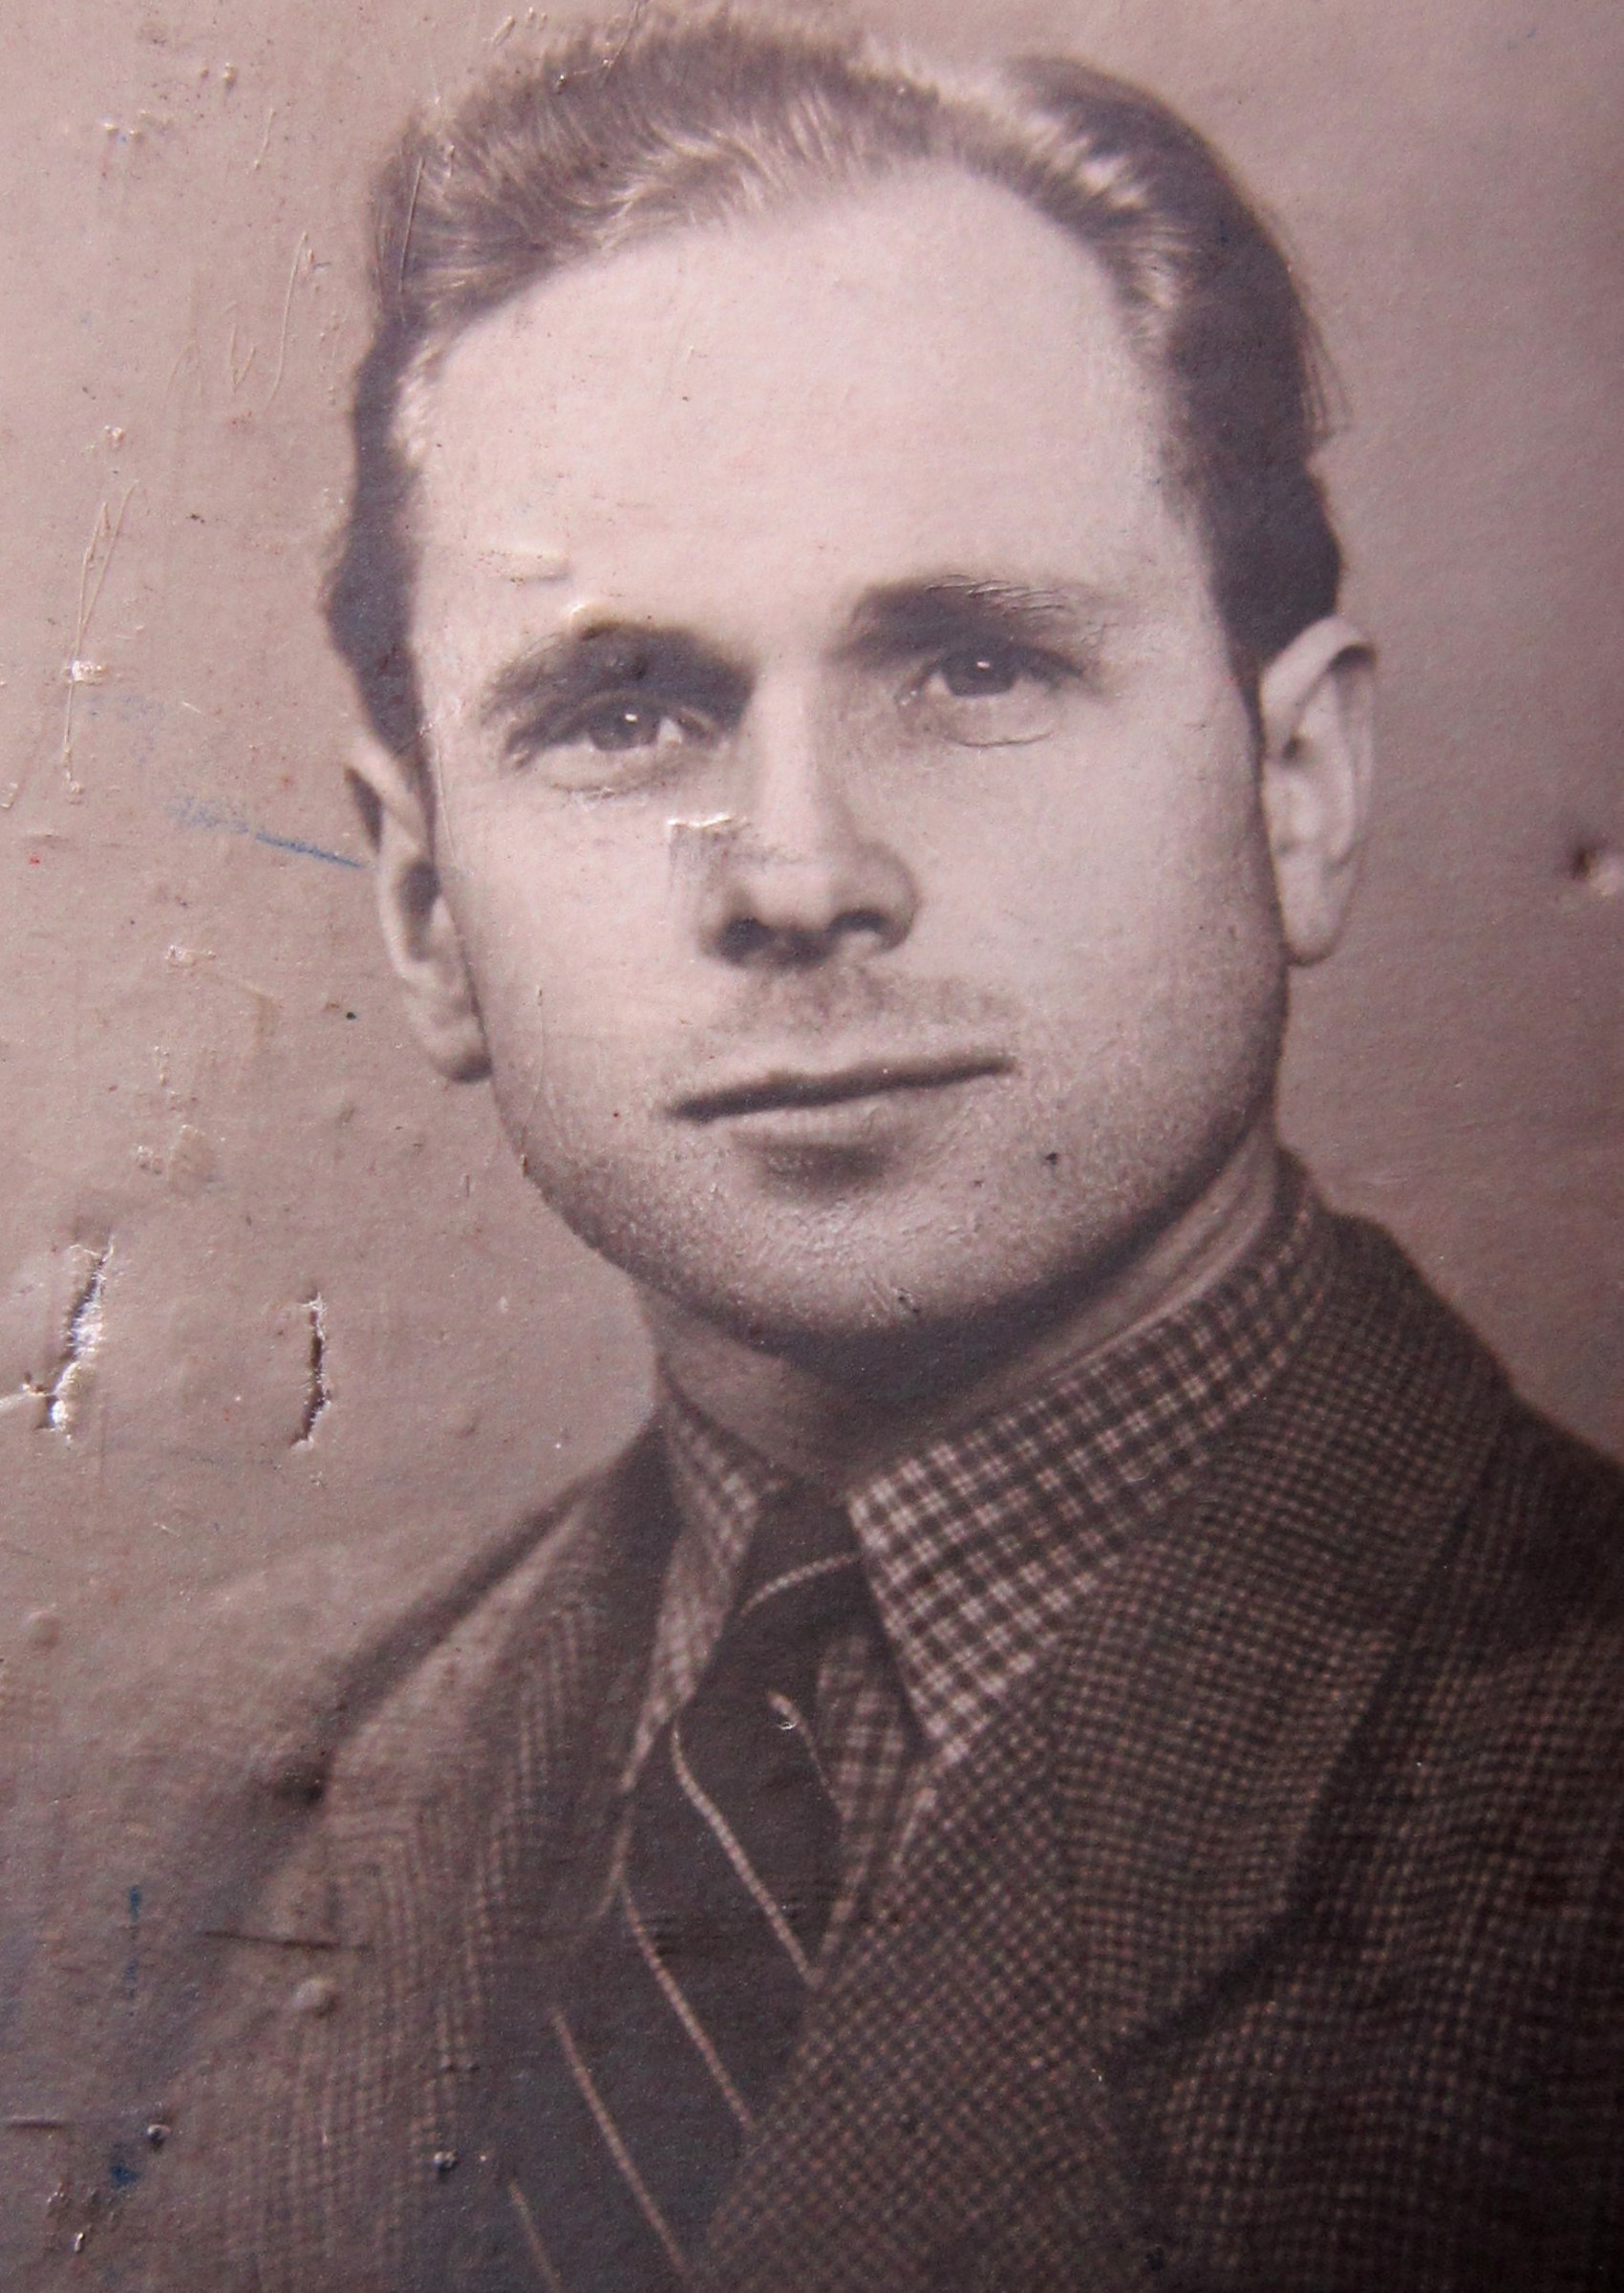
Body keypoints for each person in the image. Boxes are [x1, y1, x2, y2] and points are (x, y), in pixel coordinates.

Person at [49, 11, 1624, 2289]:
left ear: (1296, 793)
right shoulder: (139, 1794)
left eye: (973, 668)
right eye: (627, 710)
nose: (796, 873)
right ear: (423, 908)